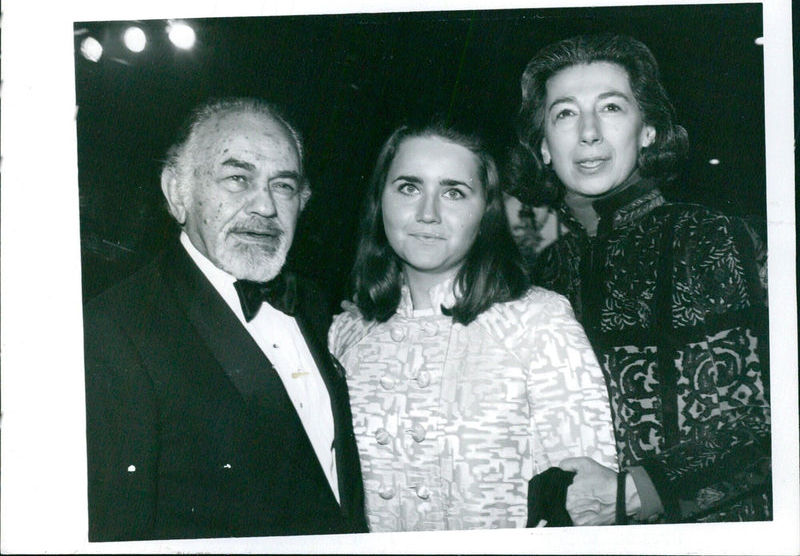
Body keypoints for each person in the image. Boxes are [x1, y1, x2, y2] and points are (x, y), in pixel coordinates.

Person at [509, 34, 771, 525]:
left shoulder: (705, 236)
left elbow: (771, 426)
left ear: (648, 130)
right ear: (543, 145)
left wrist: (635, 492)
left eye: (611, 107)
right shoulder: (539, 275)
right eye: (565, 113)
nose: (588, 132)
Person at [82, 97, 367, 541]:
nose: (266, 207)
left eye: (284, 186)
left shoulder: (310, 302)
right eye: (238, 178)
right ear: (178, 193)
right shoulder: (111, 332)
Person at [328, 120, 618, 531]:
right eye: (408, 188)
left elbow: (587, 510)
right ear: (380, 200)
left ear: (486, 210)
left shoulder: (540, 322)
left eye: (453, 192)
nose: (427, 213)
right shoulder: (345, 335)